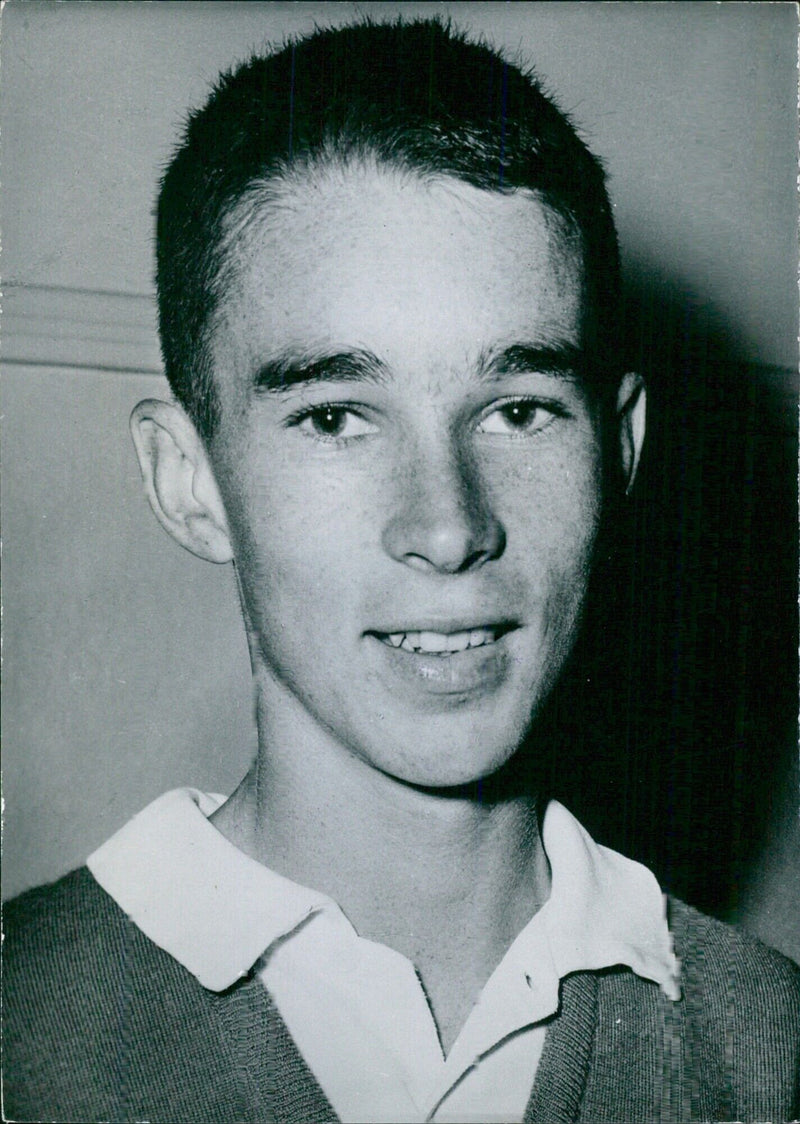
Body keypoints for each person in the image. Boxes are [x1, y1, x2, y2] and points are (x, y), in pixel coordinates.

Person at [4, 18, 798, 1123]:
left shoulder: (770, 1052)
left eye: (518, 410)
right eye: (336, 417)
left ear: (617, 452)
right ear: (189, 479)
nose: (447, 525)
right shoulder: (23, 1033)